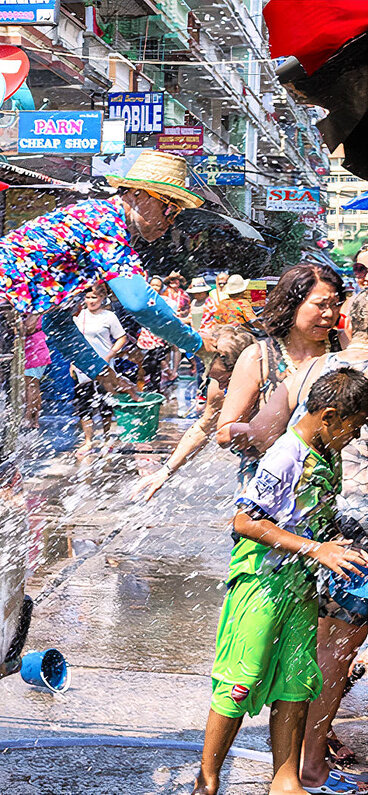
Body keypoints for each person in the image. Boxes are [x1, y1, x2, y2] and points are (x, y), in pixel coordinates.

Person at [193, 367, 368, 795]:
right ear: (328, 416)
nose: (356, 436)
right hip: (262, 585)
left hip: (299, 587)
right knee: (241, 677)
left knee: (295, 681)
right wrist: (317, 550)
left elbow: (312, 520)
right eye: (354, 426)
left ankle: (286, 780)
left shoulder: (324, 453)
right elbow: (246, 521)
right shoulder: (285, 454)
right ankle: (208, 780)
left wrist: (339, 540)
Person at [235, 291, 368, 792]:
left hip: (329, 525)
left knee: (332, 647)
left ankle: (310, 761)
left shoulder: (315, 372)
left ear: (349, 326)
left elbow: (263, 433)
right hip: (358, 531)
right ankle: (307, 765)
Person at [0, 150, 206, 399]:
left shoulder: (101, 233)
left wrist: (103, 374)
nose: (170, 221)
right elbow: (140, 303)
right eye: (169, 208)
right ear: (138, 194)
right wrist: (198, 345)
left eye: (177, 214)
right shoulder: (104, 223)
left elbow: (56, 324)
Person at [218, 263, 347, 485]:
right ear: (291, 305)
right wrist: (269, 432)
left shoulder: (345, 346)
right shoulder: (259, 357)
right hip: (270, 483)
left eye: (335, 305)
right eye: (320, 305)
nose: (330, 314)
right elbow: (223, 432)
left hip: (331, 481)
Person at [130, 325, 256, 501]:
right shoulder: (218, 386)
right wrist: (165, 471)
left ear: (233, 365)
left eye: (208, 362)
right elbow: (204, 428)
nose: (205, 370)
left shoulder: (268, 381)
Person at [72, 285, 126, 453]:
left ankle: (107, 437)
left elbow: (121, 338)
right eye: (88, 297)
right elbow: (74, 342)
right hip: (83, 367)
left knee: (105, 403)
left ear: (102, 298)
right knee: (84, 404)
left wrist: (109, 355)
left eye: (94, 298)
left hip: (104, 366)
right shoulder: (79, 316)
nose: (90, 301)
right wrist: (73, 362)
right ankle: (88, 441)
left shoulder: (108, 317)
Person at [23, 315, 51, 430]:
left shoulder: (34, 309)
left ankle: (29, 418)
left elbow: (29, 327)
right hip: (34, 349)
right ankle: (34, 419)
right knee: (33, 386)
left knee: (31, 386)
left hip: (34, 350)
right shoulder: (34, 307)